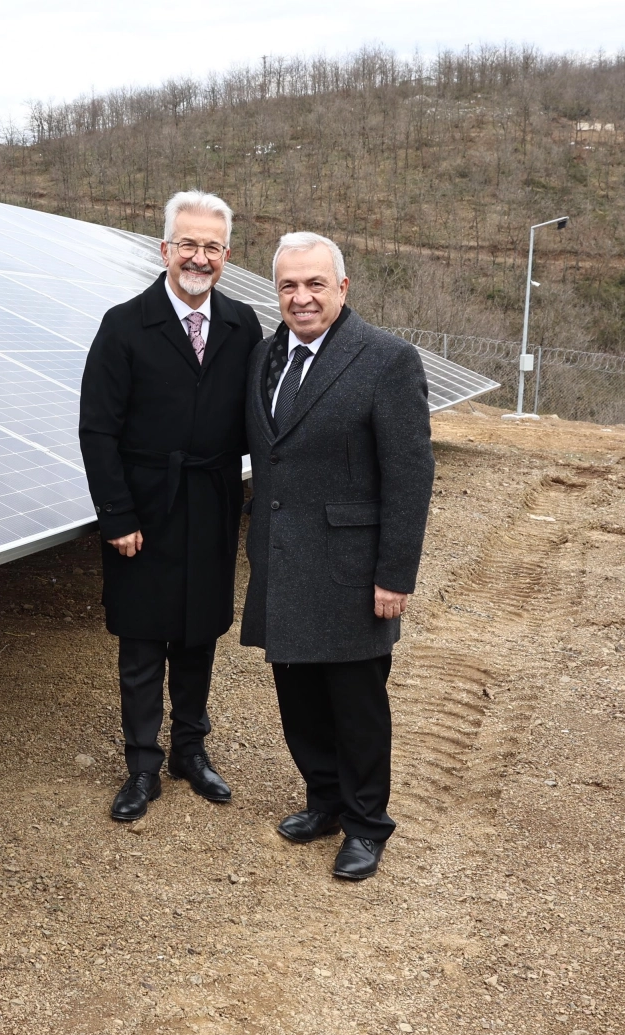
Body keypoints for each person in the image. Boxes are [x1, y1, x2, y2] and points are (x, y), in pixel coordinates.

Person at [240, 231, 435, 879]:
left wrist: (393, 575)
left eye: (314, 284)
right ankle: (322, 801)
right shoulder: (265, 357)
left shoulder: (386, 360)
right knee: (297, 700)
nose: (301, 297)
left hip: (352, 572)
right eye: (288, 286)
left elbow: (408, 476)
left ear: (342, 288)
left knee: (354, 706)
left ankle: (365, 823)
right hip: (282, 563)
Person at [79, 191, 263, 822]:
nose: (199, 257)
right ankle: (141, 765)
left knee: (198, 635)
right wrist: (117, 515)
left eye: (212, 246)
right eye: (188, 243)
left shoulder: (243, 327)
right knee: (141, 640)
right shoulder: (123, 325)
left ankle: (191, 751)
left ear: (227, 256)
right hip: (145, 509)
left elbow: (255, 422)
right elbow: (97, 430)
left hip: (211, 504)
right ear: (164, 249)